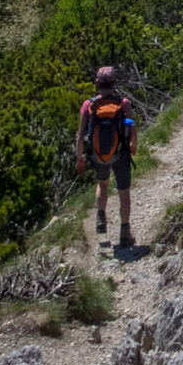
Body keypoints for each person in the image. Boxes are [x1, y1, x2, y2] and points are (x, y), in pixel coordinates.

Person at [76, 65, 137, 248]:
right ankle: (125, 233)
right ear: (114, 82)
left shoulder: (89, 105)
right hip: (120, 154)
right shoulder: (123, 103)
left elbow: (80, 134)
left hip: (97, 155)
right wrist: (133, 143)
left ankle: (101, 217)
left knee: (102, 183)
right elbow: (131, 126)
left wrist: (79, 158)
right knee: (123, 192)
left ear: (97, 83)